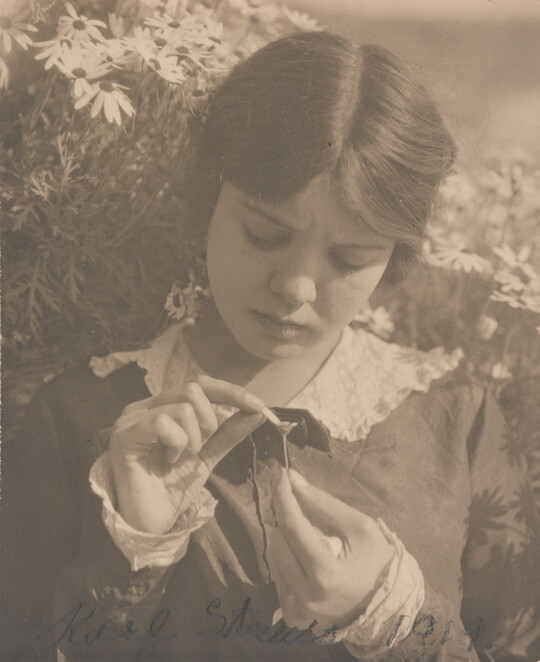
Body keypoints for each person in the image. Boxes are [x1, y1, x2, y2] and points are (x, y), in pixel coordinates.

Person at [2, 31, 539, 662]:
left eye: (349, 257)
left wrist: (395, 620)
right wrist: (132, 554)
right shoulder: (80, 418)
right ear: (207, 201)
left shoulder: (459, 424)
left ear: (396, 257)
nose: (295, 287)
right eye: (262, 234)